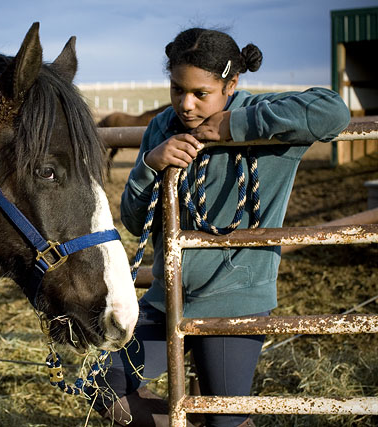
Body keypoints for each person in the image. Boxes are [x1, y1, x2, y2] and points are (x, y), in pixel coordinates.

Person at [89, 28, 351, 427]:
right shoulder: (162, 127)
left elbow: (334, 111)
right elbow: (131, 219)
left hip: (234, 301)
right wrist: (150, 167)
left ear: (231, 84)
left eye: (200, 93)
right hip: (167, 297)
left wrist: (237, 126)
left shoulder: (266, 118)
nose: (186, 105)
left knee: (223, 419)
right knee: (100, 384)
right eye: (178, 89)